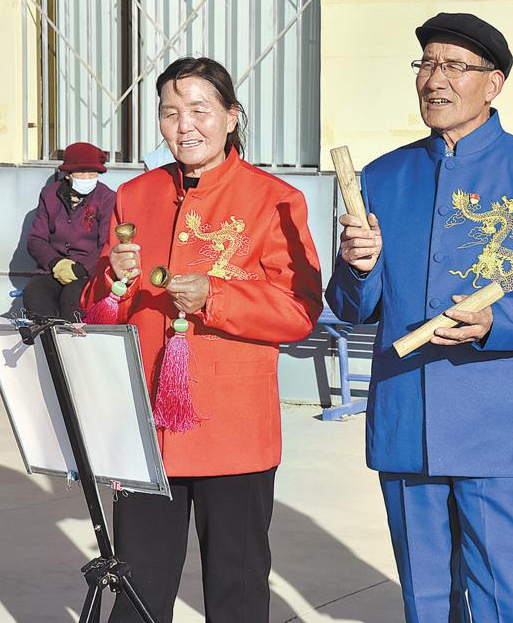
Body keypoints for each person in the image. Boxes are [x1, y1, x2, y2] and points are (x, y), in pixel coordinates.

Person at [325, 12, 513, 622]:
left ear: (493, 83)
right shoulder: (382, 176)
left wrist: (498, 320)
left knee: (509, 600)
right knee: (424, 602)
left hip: (500, 426)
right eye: (426, 64)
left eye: (454, 66)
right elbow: (351, 308)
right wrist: (358, 268)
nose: (434, 79)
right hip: (406, 420)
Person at [82, 56, 322, 622]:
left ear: (231, 116)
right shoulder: (134, 195)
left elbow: (299, 310)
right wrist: (113, 280)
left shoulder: (274, 199)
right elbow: (100, 312)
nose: (184, 125)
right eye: (170, 113)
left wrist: (217, 297)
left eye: (199, 110)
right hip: (148, 429)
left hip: (233, 429)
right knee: (137, 592)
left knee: (236, 592)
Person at [25, 142, 115, 322]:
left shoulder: (107, 198)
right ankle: (45, 338)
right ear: (68, 174)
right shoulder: (49, 194)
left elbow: (107, 243)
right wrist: (56, 263)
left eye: (92, 173)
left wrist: (79, 268)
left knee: (73, 302)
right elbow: (36, 239)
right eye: (81, 173)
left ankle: (71, 339)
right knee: (35, 296)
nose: (87, 177)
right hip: (51, 269)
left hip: (87, 272)